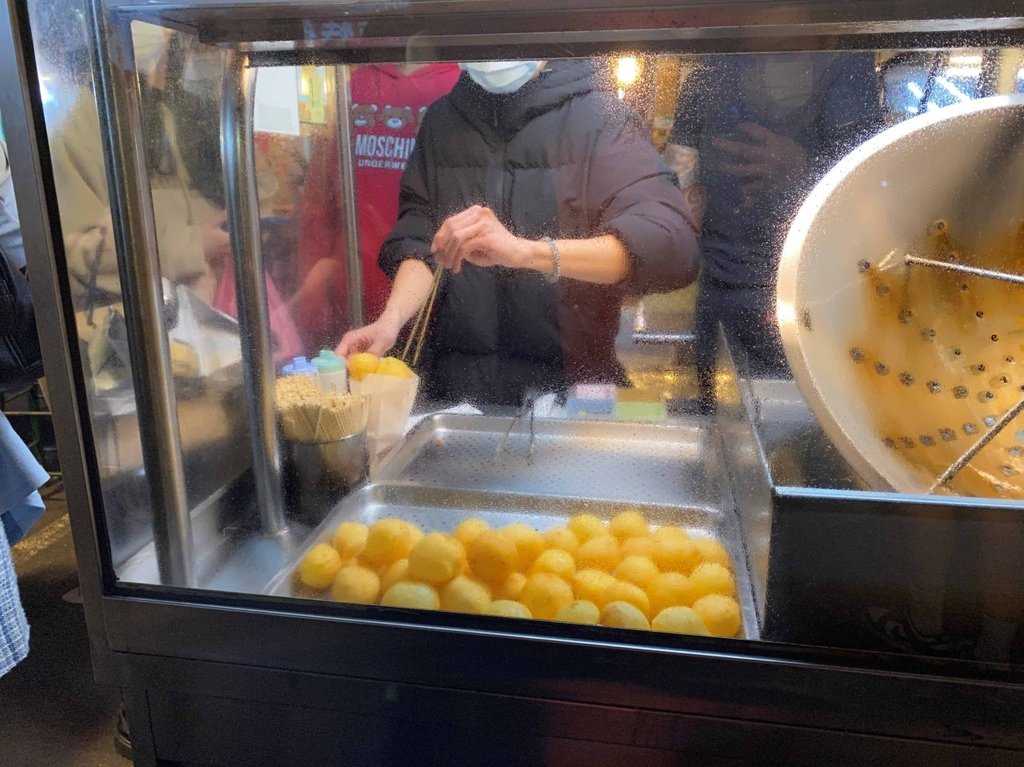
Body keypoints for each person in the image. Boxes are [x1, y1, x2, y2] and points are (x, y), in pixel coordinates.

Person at [338, 58, 700, 406]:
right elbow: (420, 241)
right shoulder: (443, 120)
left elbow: (671, 246)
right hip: (457, 392)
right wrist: (391, 322)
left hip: (569, 392)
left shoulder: (600, 119)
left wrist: (526, 252)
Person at [663, 53, 883, 401]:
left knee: (793, 423)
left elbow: (869, 183)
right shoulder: (710, 74)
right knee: (724, 416)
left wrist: (802, 167)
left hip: (809, 291)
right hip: (721, 286)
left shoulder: (845, 63)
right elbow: (679, 177)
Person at [295, 62, 460, 350]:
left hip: (434, 287)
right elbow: (322, 197)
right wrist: (312, 273)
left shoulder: (459, 83)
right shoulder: (356, 83)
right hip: (351, 282)